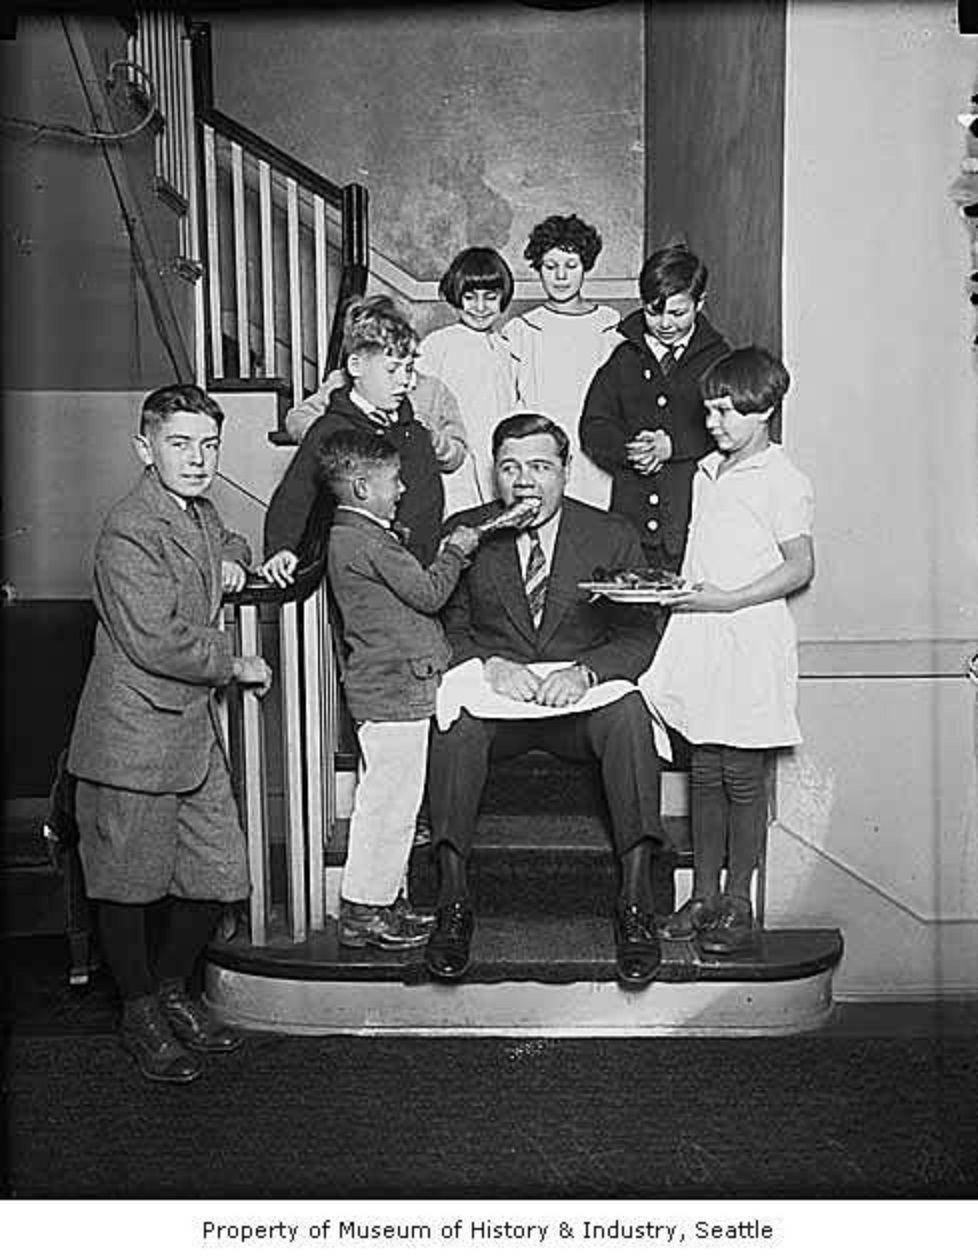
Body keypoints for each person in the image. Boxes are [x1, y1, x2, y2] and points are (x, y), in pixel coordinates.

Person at [66, 384, 273, 1084]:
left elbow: (221, 539)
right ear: (144, 449)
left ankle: (170, 991)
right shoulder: (129, 527)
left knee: (218, 875)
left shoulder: (197, 511)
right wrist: (235, 661)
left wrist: (237, 557)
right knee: (128, 887)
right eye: (180, 444)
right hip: (132, 735)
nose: (197, 458)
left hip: (187, 732)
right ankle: (139, 1012)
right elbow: (157, 639)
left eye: (209, 445)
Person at [425, 412, 669, 988]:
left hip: (576, 704)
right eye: (510, 467)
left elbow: (638, 634)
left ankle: (635, 903)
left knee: (630, 716)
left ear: (565, 472)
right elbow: (447, 625)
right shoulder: (468, 531)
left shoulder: (611, 534)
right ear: (495, 474)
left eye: (539, 466)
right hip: (501, 703)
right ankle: (453, 903)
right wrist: (488, 664)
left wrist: (586, 672)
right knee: (454, 724)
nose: (525, 481)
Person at [640, 347, 815, 954]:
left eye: (725, 412)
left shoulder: (782, 479)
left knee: (741, 773)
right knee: (704, 769)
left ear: (763, 408)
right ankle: (704, 896)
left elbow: (800, 567)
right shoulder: (705, 472)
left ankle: (738, 903)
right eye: (709, 410)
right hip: (702, 633)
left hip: (747, 636)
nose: (712, 422)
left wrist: (731, 600)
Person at [321, 429, 482, 950]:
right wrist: (455, 551)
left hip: (392, 688)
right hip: (393, 691)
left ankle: (385, 900)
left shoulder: (358, 535)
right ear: (363, 488)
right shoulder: (366, 540)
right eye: (394, 481)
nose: (403, 489)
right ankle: (364, 910)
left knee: (396, 802)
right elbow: (430, 593)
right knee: (388, 806)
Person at [261, 295, 455, 586]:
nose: (405, 381)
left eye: (409, 369)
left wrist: (421, 565)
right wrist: (281, 548)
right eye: (392, 369)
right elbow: (296, 493)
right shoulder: (330, 430)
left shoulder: (414, 433)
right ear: (355, 366)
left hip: (412, 573)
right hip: (356, 576)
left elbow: (429, 505)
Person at [580, 243, 731, 576]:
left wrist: (672, 446)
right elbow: (594, 425)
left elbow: (732, 428)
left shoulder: (718, 359)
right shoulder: (624, 357)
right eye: (653, 311)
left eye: (677, 313)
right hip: (630, 518)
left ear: (700, 303)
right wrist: (630, 451)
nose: (664, 323)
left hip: (690, 515)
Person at [503, 214, 622, 510]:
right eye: (550, 267)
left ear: (586, 267)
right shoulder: (522, 330)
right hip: (539, 445)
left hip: (594, 449)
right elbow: (511, 400)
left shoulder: (609, 326)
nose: (560, 277)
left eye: (571, 267)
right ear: (538, 269)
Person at [415, 246, 519, 515]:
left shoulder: (505, 347)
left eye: (491, 297)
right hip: (456, 463)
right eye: (470, 297)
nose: (480, 307)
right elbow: (420, 404)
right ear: (456, 297)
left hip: (497, 454)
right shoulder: (438, 345)